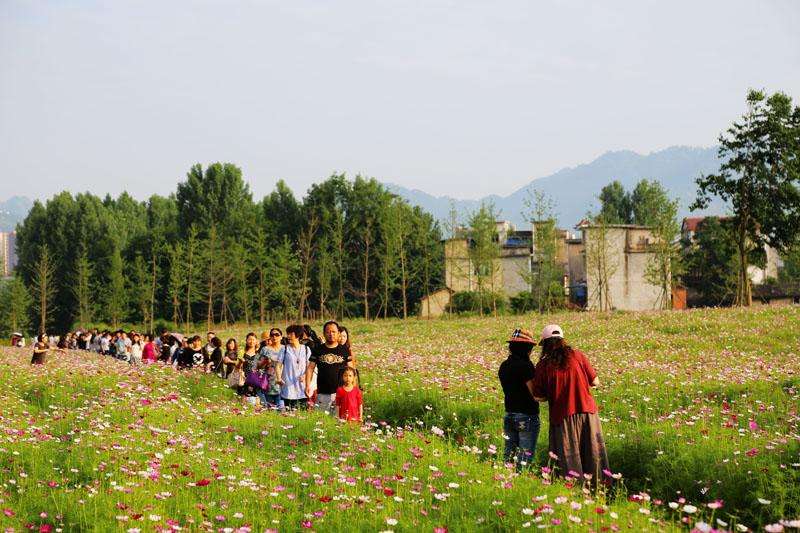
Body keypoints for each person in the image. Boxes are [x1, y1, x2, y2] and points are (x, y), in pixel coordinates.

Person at [532, 324, 609, 481]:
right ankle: (599, 488)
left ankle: (574, 491)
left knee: (568, 457)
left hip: (563, 416)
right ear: (562, 340)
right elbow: (596, 382)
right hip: (588, 413)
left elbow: (539, 397)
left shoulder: (543, 365)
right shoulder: (578, 356)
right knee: (593, 452)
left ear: (545, 344)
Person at [498, 328, 540, 471]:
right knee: (524, 458)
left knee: (509, 455)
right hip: (526, 416)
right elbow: (535, 393)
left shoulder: (504, 366)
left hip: (509, 414)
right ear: (527, 349)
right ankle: (520, 481)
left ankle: (506, 482)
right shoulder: (526, 367)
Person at [306, 321, 351, 415]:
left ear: (338, 333)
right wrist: (307, 385)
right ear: (324, 334)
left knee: (340, 420)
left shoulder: (345, 350)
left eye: (333, 332)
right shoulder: (318, 349)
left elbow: (351, 369)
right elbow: (310, 368)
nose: (331, 334)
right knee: (322, 421)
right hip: (323, 393)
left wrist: (352, 388)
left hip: (341, 392)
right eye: (328, 332)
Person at [276, 324, 311, 410]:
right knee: (289, 413)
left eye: (291, 334)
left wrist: (305, 375)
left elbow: (310, 367)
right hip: (288, 388)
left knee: (303, 413)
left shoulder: (306, 349)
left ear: (298, 335)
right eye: (287, 334)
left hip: (303, 388)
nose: (288, 336)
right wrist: (279, 378)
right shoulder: (284, 349)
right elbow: (278, 366)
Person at [258, 328, 284, 409]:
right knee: (270, 409)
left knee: (282, 409)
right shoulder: (265, 349)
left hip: (284, 384)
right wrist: (265, 362)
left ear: (281, 337)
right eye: (272, 335)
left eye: (277, 335)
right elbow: (257, 366)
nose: (274, 337)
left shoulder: (286, 348)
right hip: (269, 384)